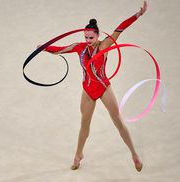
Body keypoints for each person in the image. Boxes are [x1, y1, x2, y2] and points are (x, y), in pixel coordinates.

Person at [43, 1, 147, 172]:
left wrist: (137, 15)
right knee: (85, 124)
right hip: (88, 90)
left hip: (104, 88)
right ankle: (78, 155)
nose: (88, 40)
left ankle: (134, 154)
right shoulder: (80, 47)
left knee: (118, 122)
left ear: (98, 36)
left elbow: (120, 29)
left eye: (91, 37)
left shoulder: (104, 45)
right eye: (86, 37)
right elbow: (59, 50)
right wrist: (44, 48)